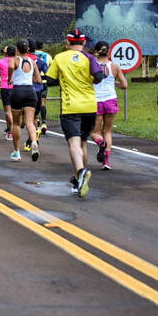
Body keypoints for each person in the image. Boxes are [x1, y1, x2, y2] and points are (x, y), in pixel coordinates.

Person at [45, 29, 104, 199]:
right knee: (83, 142)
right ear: (84, 43)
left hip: (71, 107)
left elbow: (50, 80)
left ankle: (80, 172)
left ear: (68, 43)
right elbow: (99, 76)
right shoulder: (89, 57)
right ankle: (79, 179)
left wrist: (63, 78)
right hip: (89, 106)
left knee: (74, 142)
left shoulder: (60, 57)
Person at [90, 41, 128, 170]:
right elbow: (124, 85)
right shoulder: (115, 67)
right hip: (111, 100)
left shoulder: (92, 65)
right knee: (108, 131)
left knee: (95, 132)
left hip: (96, 100)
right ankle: (106, 161)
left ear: (96, 51)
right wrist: (114, 84)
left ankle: (101, 143)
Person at [8, 40, 42, 162]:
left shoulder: (15, 59)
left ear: (17, 49)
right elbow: (38, 80)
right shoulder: (32, 62)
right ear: (28, 49)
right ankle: (33, 142)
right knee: (30, 122)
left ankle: (16, 152)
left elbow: (11, 66)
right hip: (30, 92)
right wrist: (29, 78)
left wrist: (10, 78)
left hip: (18, 91)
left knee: (16, 123)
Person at [0, 46, 16, 140]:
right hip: (17, 88)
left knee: (8, 111)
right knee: (14, 110)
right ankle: (9, 128)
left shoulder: (1, 62)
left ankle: (11, 131)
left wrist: (1, 73)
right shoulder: (18, 61)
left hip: (5, 88)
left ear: (6, 53)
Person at [34, 41, 53, 134]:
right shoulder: (47, 56)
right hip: (44, 82)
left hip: (33, 82)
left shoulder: (31, 56)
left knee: (34, 102)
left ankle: (36, 119)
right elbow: (51, 69)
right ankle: (44, 123)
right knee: (43, 102)